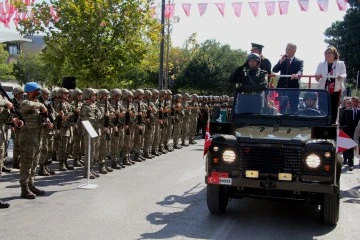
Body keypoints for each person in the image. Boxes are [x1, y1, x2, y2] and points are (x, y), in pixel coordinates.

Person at [19, 82, 49, 199]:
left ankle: (31, 185)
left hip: (37, 138)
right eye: (37, 91)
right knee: (27, 163)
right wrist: (41, 106)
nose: (38, 93)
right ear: (30, 91)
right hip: (27, 139)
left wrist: (47, 123)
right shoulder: (24, 102)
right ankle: (24, 188)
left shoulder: (37, 103)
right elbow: (27, 105)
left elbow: (40, 118)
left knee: (34, 163)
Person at [315, 46, 346, 124]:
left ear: (334, 54)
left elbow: (344, 74)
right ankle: (322, 123)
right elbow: (317, 76)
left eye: (329, 53)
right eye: (326, 53)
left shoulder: (340, 63)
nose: (327, 54)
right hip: (323, 90)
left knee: (333, 107)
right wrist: (317, 76)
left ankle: (332, 124)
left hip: (335, 90)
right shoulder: (321, 64)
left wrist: (341, 77)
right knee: (322, 107)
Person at [273, 43, 304, 114]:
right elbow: (274, 70)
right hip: (282, 88)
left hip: (293, 88)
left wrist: (297, 75)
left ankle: (293, 123)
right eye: (286, 49)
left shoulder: (299, 61)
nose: (287, 51)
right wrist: (280, 62)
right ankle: (281, 123)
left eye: (289, 49)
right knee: (282, 108)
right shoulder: (283, 60)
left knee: (293, 108)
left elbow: (300, 71)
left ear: (294, 51)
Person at [340, 96, 360, 171]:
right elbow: (342, 122)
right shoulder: (346, 111)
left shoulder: (359, 111)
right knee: (349, 148)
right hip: (348, 132)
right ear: (351, 102)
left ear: (358, 103)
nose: (354, 103)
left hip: (358, 132)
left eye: (356, 102)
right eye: (353, 101)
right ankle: (350, 163)